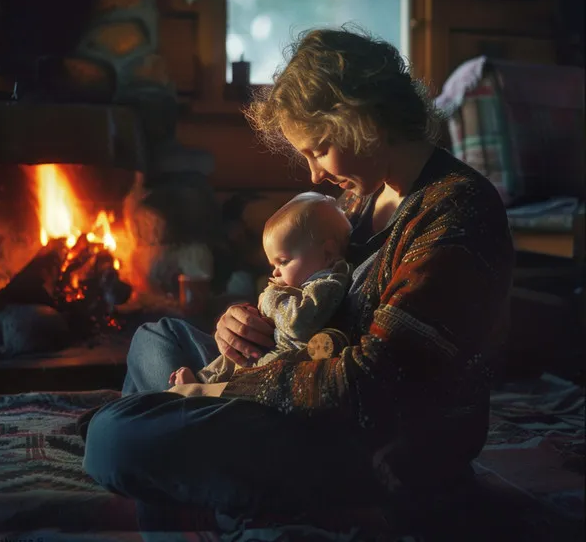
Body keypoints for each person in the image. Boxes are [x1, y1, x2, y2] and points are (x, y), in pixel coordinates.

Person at [82, 27, 514, 522]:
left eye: (319, 148)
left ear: (363, 120)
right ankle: (224, 496)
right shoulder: (362, 198)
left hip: (377, 442)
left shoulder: (455, 210)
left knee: (113, 436)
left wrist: (229, 387)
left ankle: (239, 509)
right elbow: (302, 299)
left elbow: (375, 387)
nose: (312, 175)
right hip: (305, 389)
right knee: (157, 339)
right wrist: (240, 329)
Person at [170, 191, 352, 386]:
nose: (275, 273)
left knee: (160, 337)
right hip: (270, 345)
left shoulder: (327, 283)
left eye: (283, 262)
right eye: (273, 265)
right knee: (165, 331)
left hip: (284, 359)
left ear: (328, 252)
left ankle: (199, 395)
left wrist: (270, 298)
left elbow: (298, 323)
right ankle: (201, 382)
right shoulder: (307, 281)